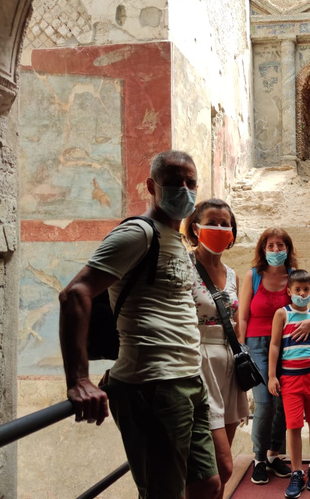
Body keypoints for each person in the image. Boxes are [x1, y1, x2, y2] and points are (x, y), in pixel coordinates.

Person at [59, 150, 221, 499]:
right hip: (154, 385)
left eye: (190, 182)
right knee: (164, 493)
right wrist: (79, 379)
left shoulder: (174, 237)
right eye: (174, 181)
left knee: (207, 485)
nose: (184, 189)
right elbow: (75, 294)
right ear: (152, 185)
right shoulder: (139, 233)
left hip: (188, 381)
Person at [238, 228, 310, 485]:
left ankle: (273, 454)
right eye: (271, 245)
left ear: (288, 249)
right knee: (265, 402)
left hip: (290, 342)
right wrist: (240, 346)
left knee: (283, 403)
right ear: (263, 249)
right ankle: (258, 458)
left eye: (281, 245)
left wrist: (309, 322)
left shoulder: (295, 278)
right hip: (258, 344)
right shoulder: (253, 276)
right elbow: (243, 315)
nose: (276, 250)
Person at [184, 198, 250, 499]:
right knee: (221, 467)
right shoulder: (184, 265)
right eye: (213, 221)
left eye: (226, 224)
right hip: (199, 364)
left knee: (220, 473)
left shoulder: (233, 274)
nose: (221, 228)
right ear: (196, 228)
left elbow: (236, 322)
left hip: (228, 367)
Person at [268, 269, 310, 499]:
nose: (302, 293)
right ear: (289, 291)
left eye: (306, 289)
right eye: (298, 290)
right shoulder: (282, 314)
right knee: (293, 426)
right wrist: (272, 376)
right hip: (291, 380)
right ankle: (296, 472)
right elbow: (274, 345)